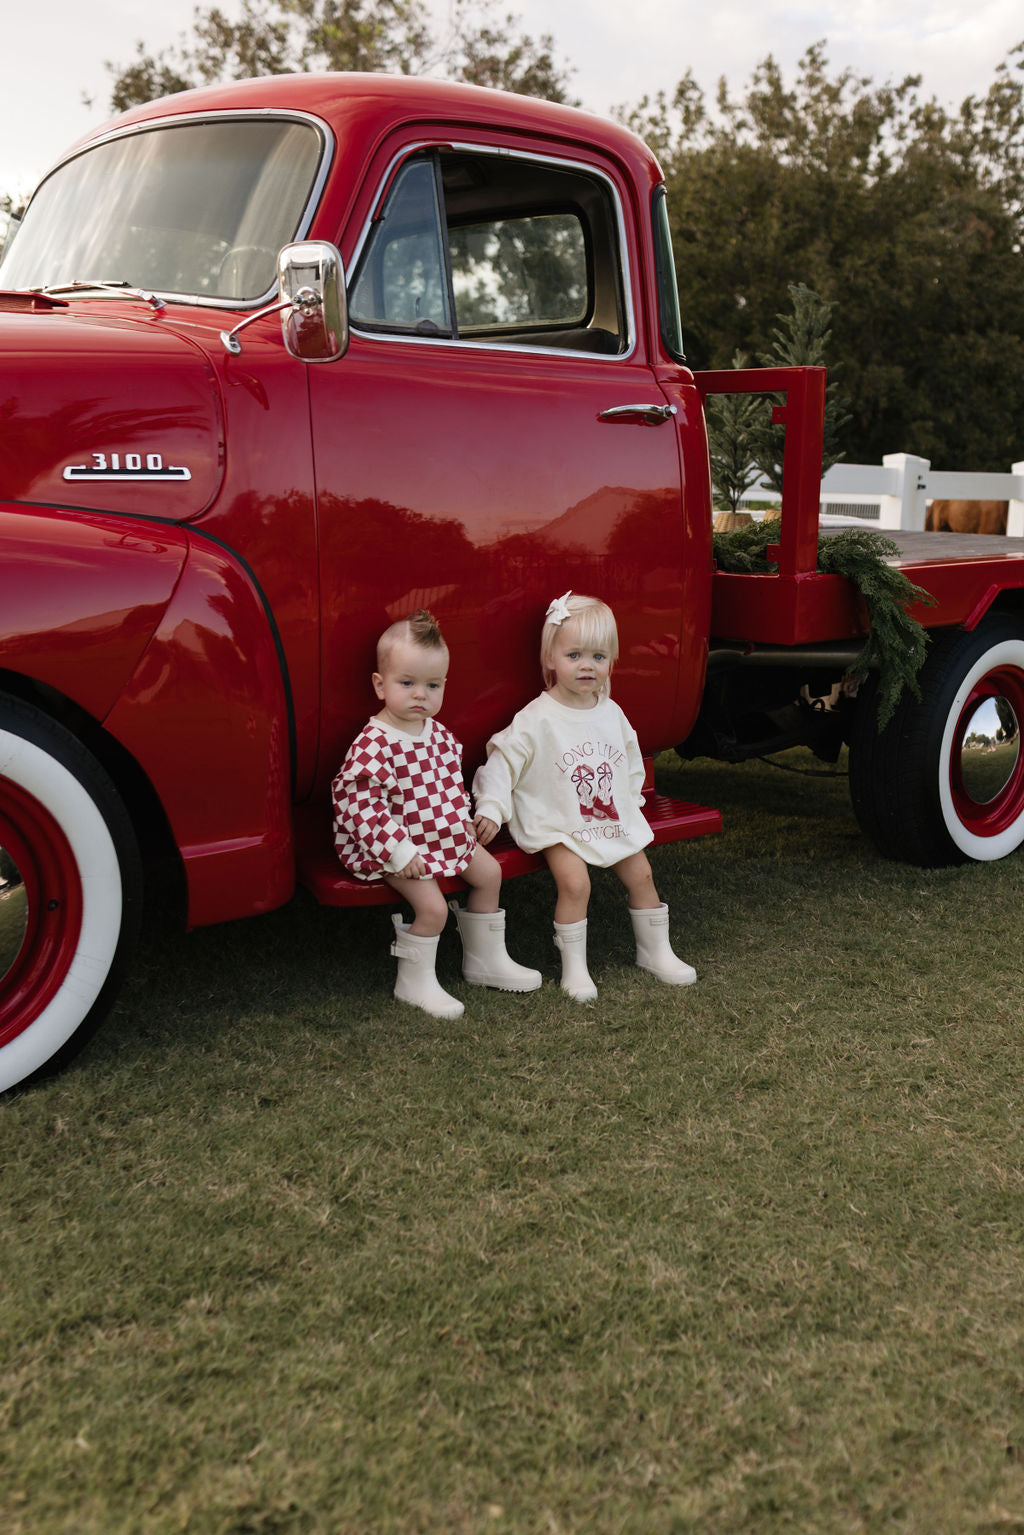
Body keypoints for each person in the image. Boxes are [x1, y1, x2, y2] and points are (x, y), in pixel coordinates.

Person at [472, 591, 696, 1001]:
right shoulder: (537, 718)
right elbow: (501, 763)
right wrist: (491, 805)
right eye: (574, 655)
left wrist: (632, 803)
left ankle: (655, 951)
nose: (587, 666)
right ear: (550, 659)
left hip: (608, 817)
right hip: (559, 821)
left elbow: (630, 760)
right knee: (575, 885)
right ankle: (575, 968)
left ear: (612, 661)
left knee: (643, 875)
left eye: (598, 656)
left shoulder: (610, 711)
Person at [332, 609, 540, 1019]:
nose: (419, 695)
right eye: (406, 683)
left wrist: (468, 814)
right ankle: (413, 982)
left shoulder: (440, 735)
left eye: (431, 685)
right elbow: (359, 808)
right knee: (433, 909)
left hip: (443, 834)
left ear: (444, 685)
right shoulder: (373, 744)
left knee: (490, 874)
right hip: (394, 847)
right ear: (380, 685)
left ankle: (484, 960)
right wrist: (398, 852)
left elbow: (448, 787)